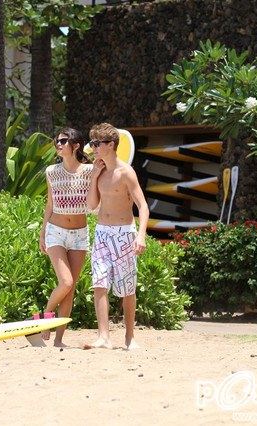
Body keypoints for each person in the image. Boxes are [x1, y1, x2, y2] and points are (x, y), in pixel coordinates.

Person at [85, 122, 149, 350]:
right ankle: (103, 336)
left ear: (110, 145)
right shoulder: (99, 172)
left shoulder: (126, 173)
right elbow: (92, 205)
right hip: (102, 232)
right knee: (99, 284)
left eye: (96, 143)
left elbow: (143, 206)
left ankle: (129, 337)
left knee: (127, 288)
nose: (92, 148)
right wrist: (93, 177)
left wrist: (140, 236)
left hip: (124, 233)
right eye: (92, 143)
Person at [39, 128, 93, 347]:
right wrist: (42, 232)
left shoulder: (90, 171)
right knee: (66, 282)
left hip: (80, 234)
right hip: (56, 231)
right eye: (57, 141)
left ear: (76, 145)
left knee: (70, 289)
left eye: (63, 141)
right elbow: (50, 204)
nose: (58, 144)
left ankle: (59, 340)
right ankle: (46, 315)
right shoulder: (51, 171)